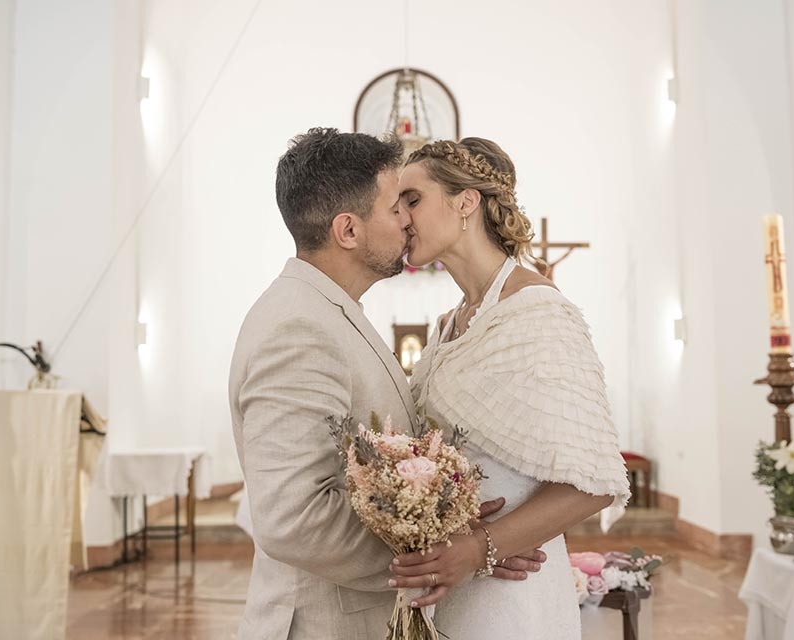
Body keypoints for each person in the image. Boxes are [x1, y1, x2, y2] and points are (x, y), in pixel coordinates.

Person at [228, 128, 545, 640]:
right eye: (396, 206)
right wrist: (445, 553)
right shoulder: (299, 329)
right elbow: (294, 516)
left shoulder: (328, 312)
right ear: (348, 230)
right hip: (324, 625)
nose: (406, 220)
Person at [388, 137, 631, 639]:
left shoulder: (539, 311)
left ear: (466, 201)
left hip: (514, 591)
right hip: (451, 584)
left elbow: (595, 482)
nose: (402, 218)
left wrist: (482, 546)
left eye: (412, 199)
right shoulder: (448, 325)